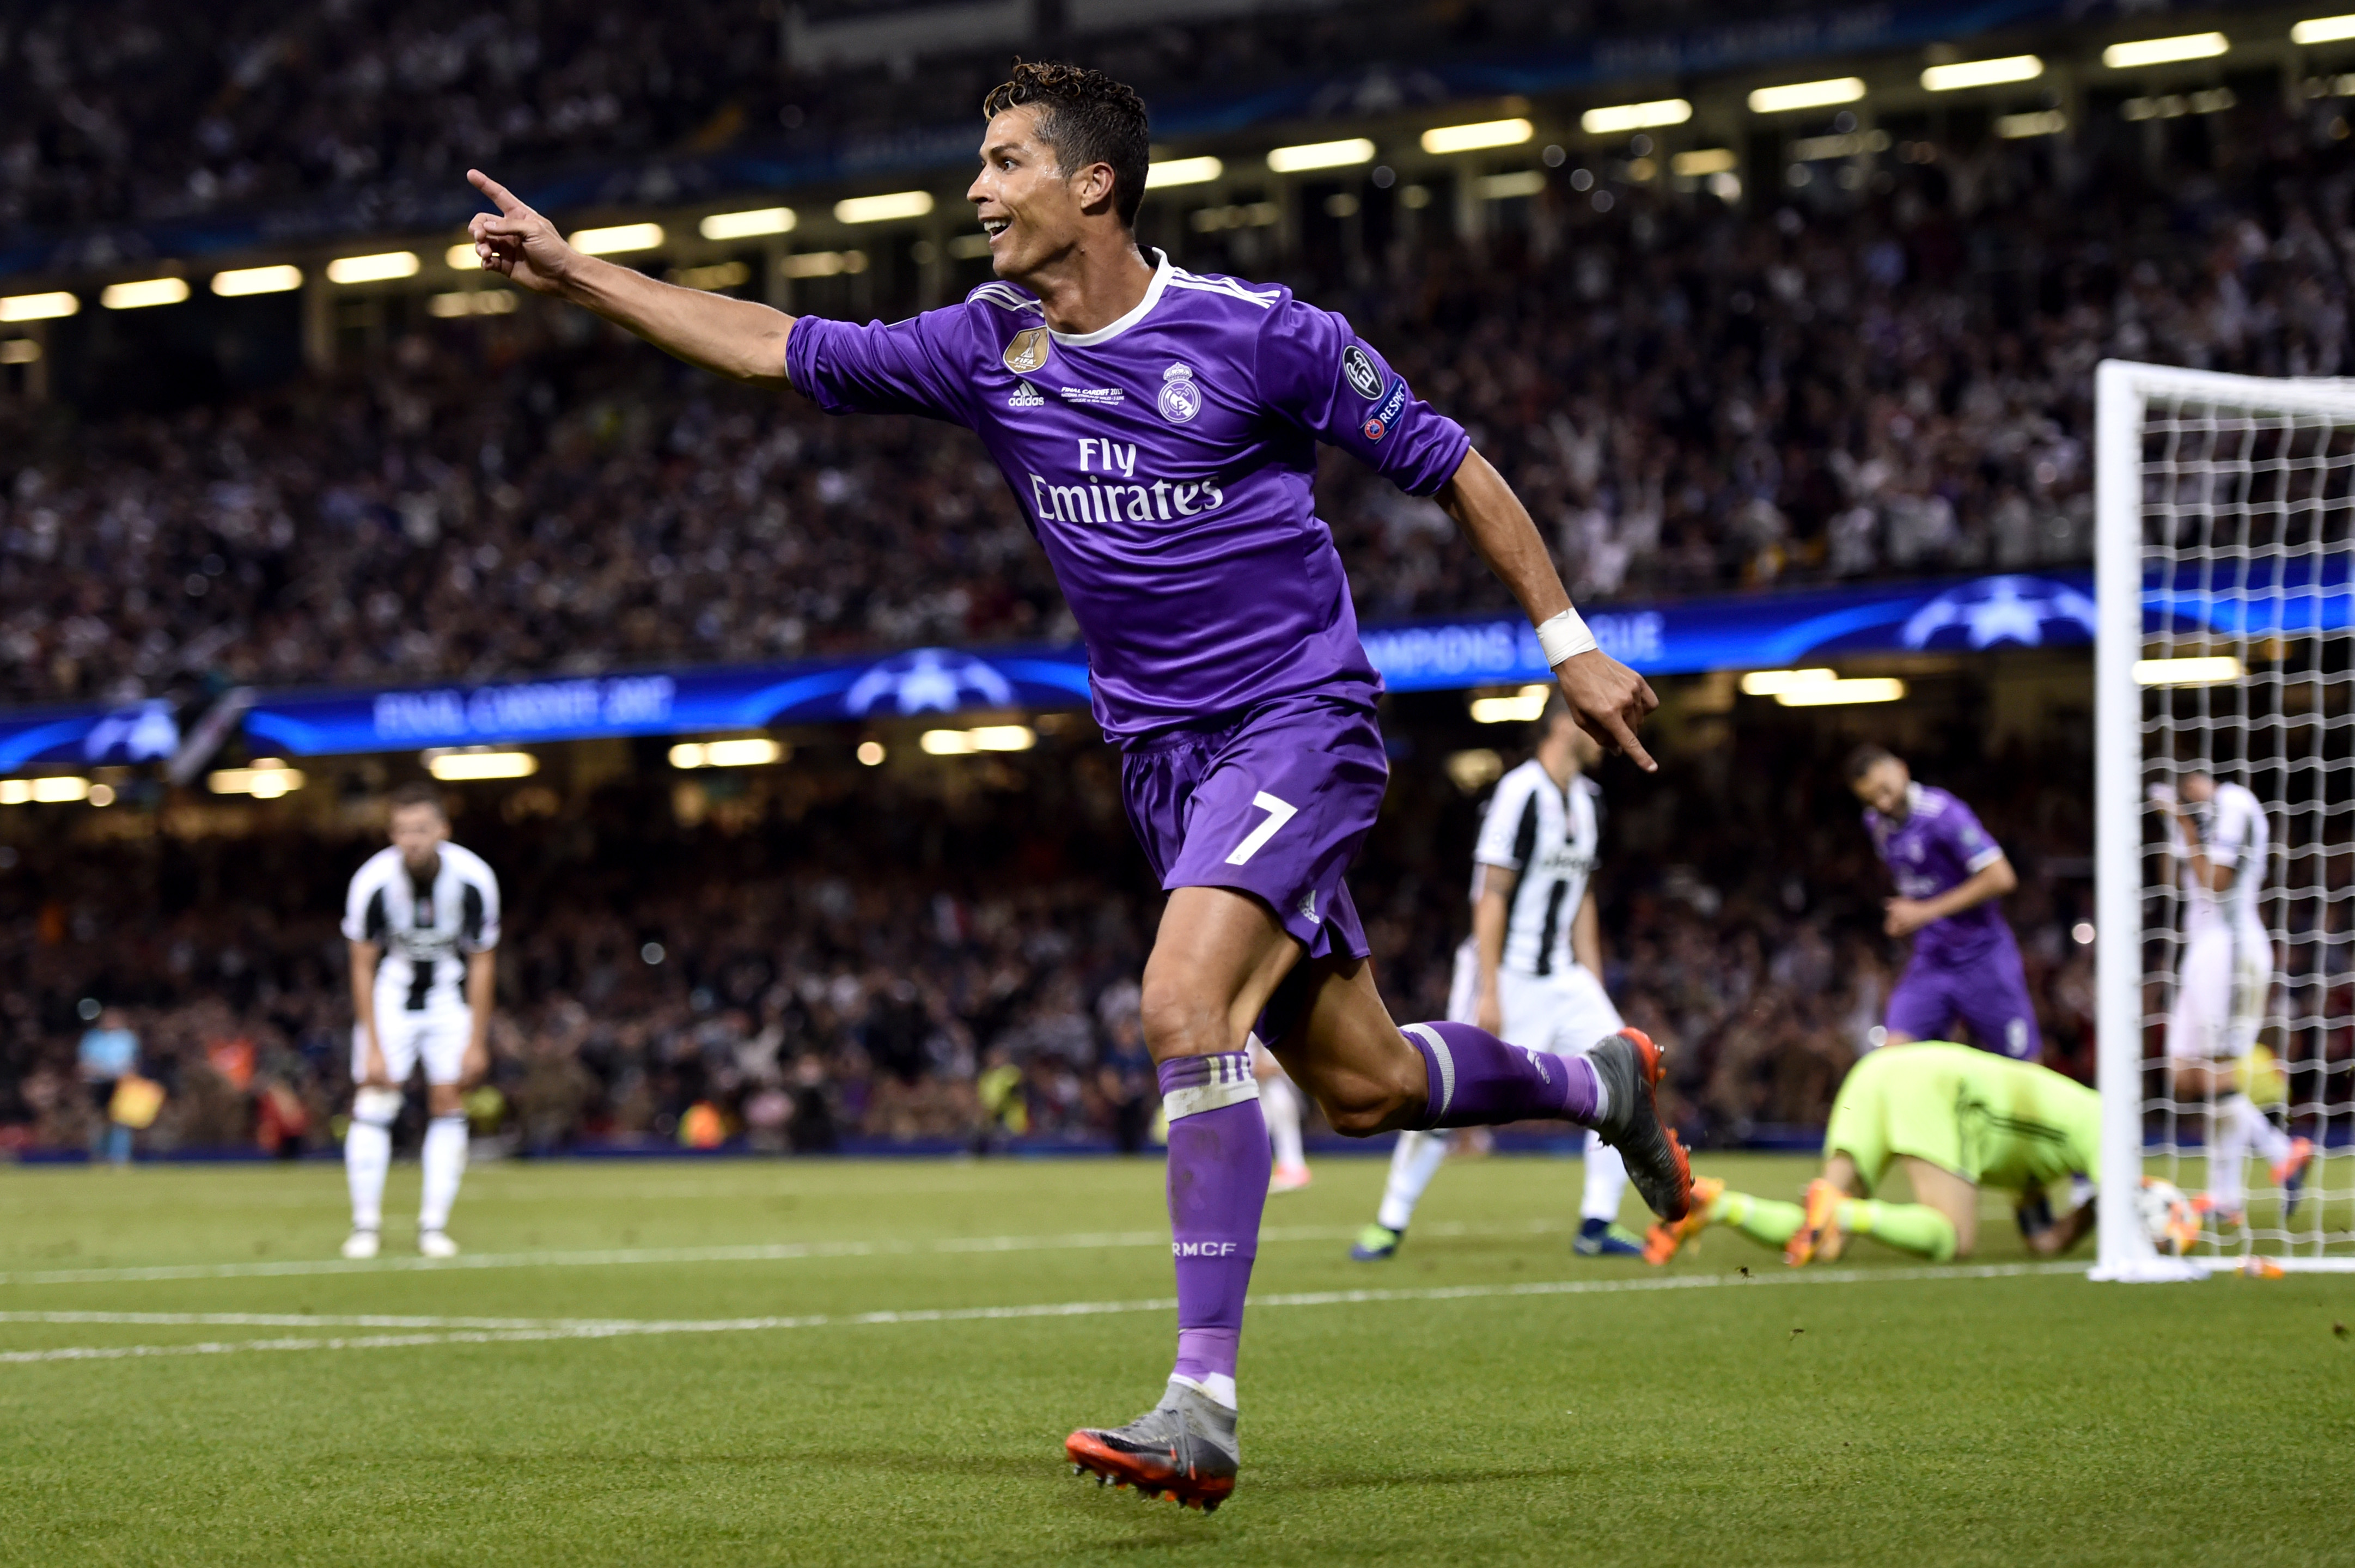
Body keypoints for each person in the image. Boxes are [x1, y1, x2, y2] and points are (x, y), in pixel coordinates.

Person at [463, 60, 1687, 1513]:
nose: (975, 187)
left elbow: (1451, 460)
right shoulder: (987, 346)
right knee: (1363, 1086)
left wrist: (1569, 643)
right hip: (1162, 763)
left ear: (1089, 183)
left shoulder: (1261, 335)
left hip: (1297, 722)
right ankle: (1594, 1079)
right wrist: (574, 273)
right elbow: (770, 343)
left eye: (1001, 160)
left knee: (1180, 1001)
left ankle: (1202, 1401)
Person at [1352, 695, 1639, 1262]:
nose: (1609, 732)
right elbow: (1490, 897)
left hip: (1563, 976)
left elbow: (1582, 898)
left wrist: (1593, 981)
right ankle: (1390, 1219)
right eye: (1597, 722)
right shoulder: (1519, 793)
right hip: (1505, 975)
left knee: (1626, 1079)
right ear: (1565, 724)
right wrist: (1488, 989)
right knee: (1445, 1097)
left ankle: (1597, 1220)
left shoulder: (1590, 802)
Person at [1643, 1041, 2100, 1268]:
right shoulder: (2102, 1121)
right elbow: (2134, 1194)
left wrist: (2091, 1213)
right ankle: (1846, 1214)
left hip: (1878, 1068)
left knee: (1820, 1237)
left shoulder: (2038, 1162)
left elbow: (2044, 1241)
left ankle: (1720, 1204)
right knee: (1954, 1239)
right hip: (1933, 1083)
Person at [340, 782, 501, 1260]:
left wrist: (477, 1038)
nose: (412, 839)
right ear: (391, 833)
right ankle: (366, 1225)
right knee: (375, 1098)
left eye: (422, 829)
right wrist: (371, 1042)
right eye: (403, 830)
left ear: (443, 830)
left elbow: (483, 960)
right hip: (392, 997)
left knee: (449, 1102)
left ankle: (433, 1226)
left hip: (449, 998)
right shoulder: (371, 882)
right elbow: (362, 963)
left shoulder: (474, 878)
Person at [2151, 772, 2312, 1224]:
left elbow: (2215, 883)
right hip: (2201, 950)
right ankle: (2275, 1155)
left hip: (2232, 950)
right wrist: (2176, 828)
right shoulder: (2202, 819)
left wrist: (2182, 822)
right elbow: (2173, 883)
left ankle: (2235, 1188)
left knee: (2218, 1070)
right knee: (2184, 1074)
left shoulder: (2234, 804)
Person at [1846, 746, 2038, 1058]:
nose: (1882, 803)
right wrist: (1905, 916)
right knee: (1893, 1057)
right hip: (1932, 960)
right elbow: (1919, 883)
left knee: (2025, 1067)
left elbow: (2002, 877)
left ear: (1903, 771)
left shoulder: (1944, 815)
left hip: (1983, 956)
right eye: (1871, 799)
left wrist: (1923, 912)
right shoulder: (1876, 824)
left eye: (1885, 791)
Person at [77, 1006, 141, 1167]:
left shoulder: (128, 1038)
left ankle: (120, 1158)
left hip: (121, 1085)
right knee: (98, 1122)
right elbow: (86, 1063)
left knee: (122, 1121)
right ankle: (98, 1157)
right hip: (99, 1085)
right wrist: (105, 1072)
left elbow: (134, 1063)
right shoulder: (92, 1038)